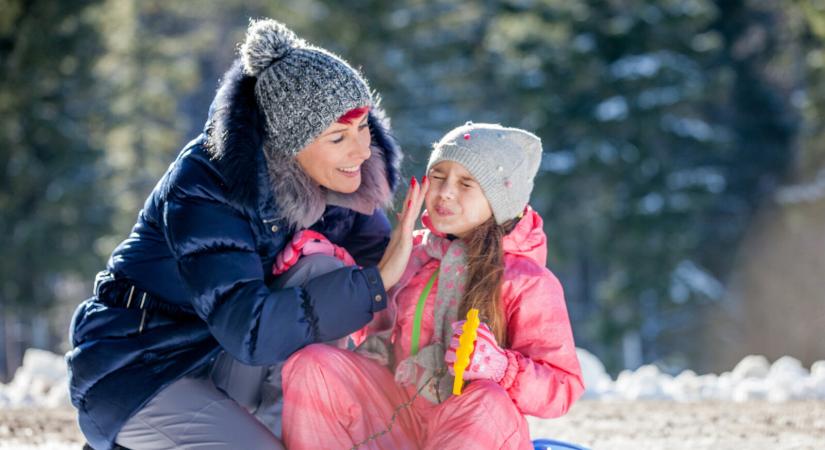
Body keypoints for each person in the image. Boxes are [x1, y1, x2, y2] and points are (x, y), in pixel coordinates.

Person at [66, 19, 418, 450]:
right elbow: (250, 329)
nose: (362, 151)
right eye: (339, 137)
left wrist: (471, 265)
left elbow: (393, 265)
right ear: (290, 142)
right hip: (141, 368)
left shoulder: (339, 184)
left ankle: (281, 430)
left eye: (364, 126)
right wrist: (375, 282)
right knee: (349, 284)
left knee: (324, 268)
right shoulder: (207, 185)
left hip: (219, 358)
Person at [281, 122, 585, 449]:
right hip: (401, 415)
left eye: (466, 183)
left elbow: (563, 387)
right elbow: (369, 328)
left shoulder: (526, 280)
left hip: (474, 427)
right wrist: (333, 266)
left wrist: (501, 368)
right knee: (314, 364)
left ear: (501, 200)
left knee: (487, 400)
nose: (446, 192)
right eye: (438, 177)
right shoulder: (413, 253)